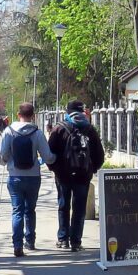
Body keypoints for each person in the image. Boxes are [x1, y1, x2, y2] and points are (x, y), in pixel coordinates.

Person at [0, 102, 55, 257]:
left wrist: (6, 161)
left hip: (15, 177)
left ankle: (17, 245)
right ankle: (30, 241)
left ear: (18, 115)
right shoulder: (37, 133)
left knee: (17, 210)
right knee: (30, 210)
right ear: (33, 116)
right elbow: (48, 157)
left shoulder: (8, 132)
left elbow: (2, 157)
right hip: (33, 177)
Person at [47, 100, 105, 251]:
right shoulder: (90, 129)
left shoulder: (59, 128)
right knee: (79, 209)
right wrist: (92, 169)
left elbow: (50, 152)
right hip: (83, 176)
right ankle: (76, 242)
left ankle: (63, 239)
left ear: (67, 112)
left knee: (63, 206)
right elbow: (99, 154)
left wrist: (54, 168)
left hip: (63, 175)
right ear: (82, 112)